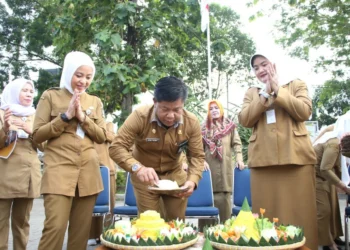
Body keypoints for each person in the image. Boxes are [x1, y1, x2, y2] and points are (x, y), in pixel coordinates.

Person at [238, 52, 318, 250]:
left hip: (296, 159)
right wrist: (264, 94)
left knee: (301, 215)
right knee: (267, 218)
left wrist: (278, 91)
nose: (260, 70)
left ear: (275, 63)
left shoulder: (296, 84)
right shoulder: (252, 92)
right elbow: (245, 119)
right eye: (256, 68)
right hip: (263, 162)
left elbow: (304, 112)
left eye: (264, 64)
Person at [32, 51, 106, 250]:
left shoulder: (94, 102)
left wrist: (83, 118)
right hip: (58, 170)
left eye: (88, 77)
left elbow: (102, 136)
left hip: (88, 174)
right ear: (68, 72)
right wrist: (65, 117)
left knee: (80, 234)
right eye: (78, 75)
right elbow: (37, 135)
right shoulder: (50, 96)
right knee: (54, 227)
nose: (83, 81)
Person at [109, 76, 204, 221]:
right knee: (150, 224)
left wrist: (192, 180)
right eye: (165, 109)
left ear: (183, 104)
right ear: (155, 102)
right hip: (145, 178)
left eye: (177, 110)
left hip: (175, 179)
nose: (171, 116)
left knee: (176, 224)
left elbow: (197, 156)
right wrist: (137, 168)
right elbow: (116, 147)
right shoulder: (140, 117)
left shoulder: (191, 122)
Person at [0, 79, 42, 250]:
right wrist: (5, 130)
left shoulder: (36, 115)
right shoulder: (3, 113)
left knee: (22, 222)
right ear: (14, 91)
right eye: (24, 90)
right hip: (4, 175)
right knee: (1, 222)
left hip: (29, 177)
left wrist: (30, 130)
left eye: (31, 91)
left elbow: (46, 146)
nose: (29, 94)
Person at [198, 99, 244, 229]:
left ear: (221, 109)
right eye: (211, 108)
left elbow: (237, 144)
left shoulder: (230, 126)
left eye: (216, 108)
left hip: (225, 169)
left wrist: (239, 158)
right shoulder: (203, 128)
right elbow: (197, 148)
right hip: (208, 170)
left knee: (225, 199)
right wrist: (201, 160)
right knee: (208, 200)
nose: (214, 111)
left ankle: (225, 234)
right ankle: (206, 234)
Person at [313, 120, 350, 250]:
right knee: (324, 211)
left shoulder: (337, 136)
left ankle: (333, 237)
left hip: (325, 179)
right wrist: (344, 186)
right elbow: (325, 168)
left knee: (333, 209)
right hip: (316, 177)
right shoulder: (334, 144)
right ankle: (328, 244)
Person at [88, 121, 116, 246]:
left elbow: (114, 139)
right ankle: (91, 235)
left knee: (109, 205)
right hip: (88, 167)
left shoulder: (108, 124)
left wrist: (104, 132)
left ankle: (108, 233)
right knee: (89, 203)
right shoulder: (83, 121)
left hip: (107, 169)